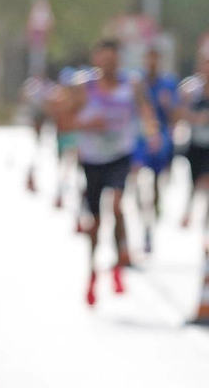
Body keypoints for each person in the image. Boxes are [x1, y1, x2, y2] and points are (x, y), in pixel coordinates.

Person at [55, 38, 161, 306]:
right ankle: (92, 270)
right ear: (96, 60)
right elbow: (64, 121)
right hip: (92, 159)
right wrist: (88, 124)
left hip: (120, 156)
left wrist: (153, 134)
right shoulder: (84, 88)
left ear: (119, 61)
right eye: (103, 60)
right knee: (94, 221)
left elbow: (147, 113)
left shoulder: (132, 85)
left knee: (116, 204)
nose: (108, 65)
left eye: (113, 60)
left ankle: (118, 261)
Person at [132, 46, 179, 254]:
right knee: (138, 180)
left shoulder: (168, 84)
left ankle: (156, 206)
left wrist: (167, 107)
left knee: (156, 181)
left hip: (161, 138)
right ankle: (144, 221)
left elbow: (175, 114)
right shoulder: (136, 82)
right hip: (140, 138)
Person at [177, 53, 209, 233]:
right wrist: (196, 118)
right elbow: (179, 112)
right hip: (195, 144)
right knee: (194, 183)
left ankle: (207, 230)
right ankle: (189, 209)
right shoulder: (190, 89)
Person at [50, 67, 81, 214]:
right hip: (63, 136)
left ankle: (73, 195)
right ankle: (61, 192)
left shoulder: (77, 99)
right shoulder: (58, 97)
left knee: (71, 168)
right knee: (64, 167)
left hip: (73, 136)